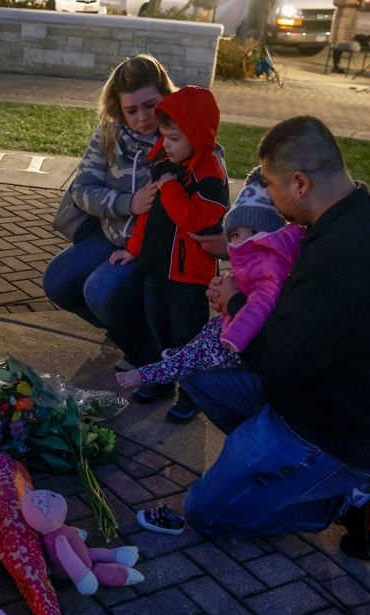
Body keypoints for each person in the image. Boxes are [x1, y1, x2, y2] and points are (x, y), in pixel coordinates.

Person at [161, 116, 370, 561]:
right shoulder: (354, 213)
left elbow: (278, 356)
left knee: (206, 511)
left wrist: (237, 302)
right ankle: (277, 471)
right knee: (200, 369)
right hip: (317, 389)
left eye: (274, 187)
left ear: (300, 183)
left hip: (336, 429)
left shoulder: (345, 257)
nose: (273, 202)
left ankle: (354, 496)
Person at [43, 55, 176, 400]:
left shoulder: (180, 135)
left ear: (166, 94)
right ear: (119, 108)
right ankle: (125, 333)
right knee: (57, 280)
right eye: (132, 110)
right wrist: (126, 204)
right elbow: (82, 191)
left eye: (150, 105)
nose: (143, 117)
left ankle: (151, 359)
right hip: (110, 235)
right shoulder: (109, 133)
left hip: (152, 248)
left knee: (100, 291)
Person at [117, 167, 302, 394]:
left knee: (197, 355)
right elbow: (245, 286)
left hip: (242, 342)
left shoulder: (269, 266)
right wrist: (224, 286)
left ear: (272, 233)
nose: (242, 239)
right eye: (235, 234)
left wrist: (234, 339)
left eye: (252, 231)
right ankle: (182, 356)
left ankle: (148, 374)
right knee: (204, 334)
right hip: (233, 324)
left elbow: (261, 305)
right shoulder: (257, 258)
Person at [109, 85, 228, 422]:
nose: (167, 145)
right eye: (165, 137)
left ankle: (193, 393)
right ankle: (162, 380)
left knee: (186, 337)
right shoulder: (166, 165)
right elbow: (150, 213)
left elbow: (193, 218)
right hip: (156, 268)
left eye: (174, 139)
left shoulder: (209, 174)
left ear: (196, 134)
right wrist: (134, 249)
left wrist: (170, 184)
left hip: (189, 278)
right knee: (158, 327)